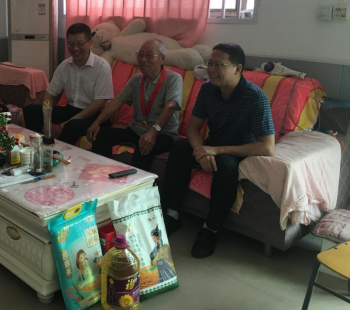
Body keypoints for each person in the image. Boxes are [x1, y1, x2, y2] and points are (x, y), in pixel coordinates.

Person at [161, 43, 275, 259]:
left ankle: (211, 228)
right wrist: (201, 150)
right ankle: (172, 214)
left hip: (237, 150)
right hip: (211, 145)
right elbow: (192, 128)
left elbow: (267, 146)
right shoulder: (207, 89)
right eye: (210, 64)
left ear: (237, 68)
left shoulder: (255, 97)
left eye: (218, 65)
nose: (211, 69)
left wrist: (216, 150)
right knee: (179, 146)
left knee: (225, 164)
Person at [87, 40, 182, 172]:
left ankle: (139, 185)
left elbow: (170, 107)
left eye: (149, 55)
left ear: (162, 58)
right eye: (140, 55)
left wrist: (152, 132)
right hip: (137, 130)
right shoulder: (137, 79)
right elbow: (117, 102)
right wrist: (97, 122)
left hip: (163, 134)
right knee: (101, 135)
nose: (143, 59)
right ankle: (103, 174)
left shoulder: (173, 78)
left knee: (144, 147)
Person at [23, 23, 114, 145]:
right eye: (71, 44)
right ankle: (38, 146)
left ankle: (57, 154)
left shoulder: (102, 66)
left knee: (71, 126)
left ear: (90, 43)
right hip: (70, 109)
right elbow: (49, 94)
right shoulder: (64, 66)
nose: (75, 48)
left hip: (94, 115)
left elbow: (99, 103)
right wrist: (47, 120)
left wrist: (70, 121)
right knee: (30, 110)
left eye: (80, 43)